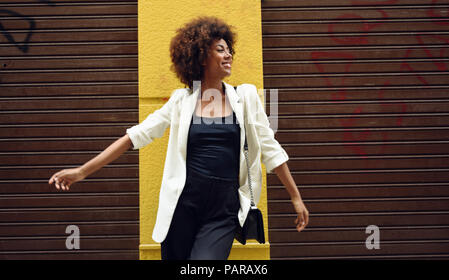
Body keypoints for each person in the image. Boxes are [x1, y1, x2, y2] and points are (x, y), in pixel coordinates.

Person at [48, 16, 309, 260]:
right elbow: (135, 136)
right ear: (201, 56)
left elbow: (270, 148)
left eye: (229, 49)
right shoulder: (180, 101)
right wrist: (82, 171)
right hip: (182, 206)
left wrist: (295, 197)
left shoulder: (247, 97)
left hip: (224, 209)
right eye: (220, 49)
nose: (228, 54)